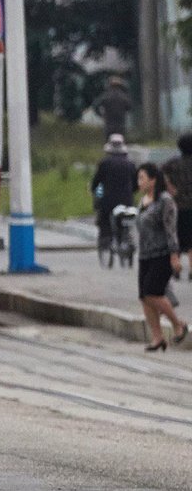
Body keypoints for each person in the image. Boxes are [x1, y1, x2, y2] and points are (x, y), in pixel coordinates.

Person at [134, 163, 188, 351]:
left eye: (142, 178)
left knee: (152, 292)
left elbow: (171, 230)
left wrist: (174, 256)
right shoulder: (143, 201)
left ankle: (177, 324)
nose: (138, 182)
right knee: (144, 296)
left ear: (153, 179)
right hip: (145, 255)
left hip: (162, 255)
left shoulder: (165, 200)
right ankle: (157, 337)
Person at [90, 134, 136, 253]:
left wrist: (94, 190)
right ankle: (126, 238)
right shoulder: (130, 164)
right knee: (125, 218)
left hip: (108, 201)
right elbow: (135, 183)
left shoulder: (104, 163)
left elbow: (97, 182)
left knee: (104, 217)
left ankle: (106, 239)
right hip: (127, 200)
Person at [160, 132, 192, 277]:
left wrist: (169, 186)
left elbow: (160, 172)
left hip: (176, 205)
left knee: (176, 237)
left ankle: (176, 267)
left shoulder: (173, 162)